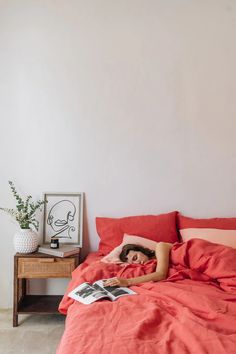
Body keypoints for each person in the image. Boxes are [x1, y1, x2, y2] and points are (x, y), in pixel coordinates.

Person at [104, 242, 173, 288]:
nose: (137, 263)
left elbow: (161, 274)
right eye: (133, 263)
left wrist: (127, 281)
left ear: (141, 250)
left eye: (135, 257)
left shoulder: (160, 246)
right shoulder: (151, 265)